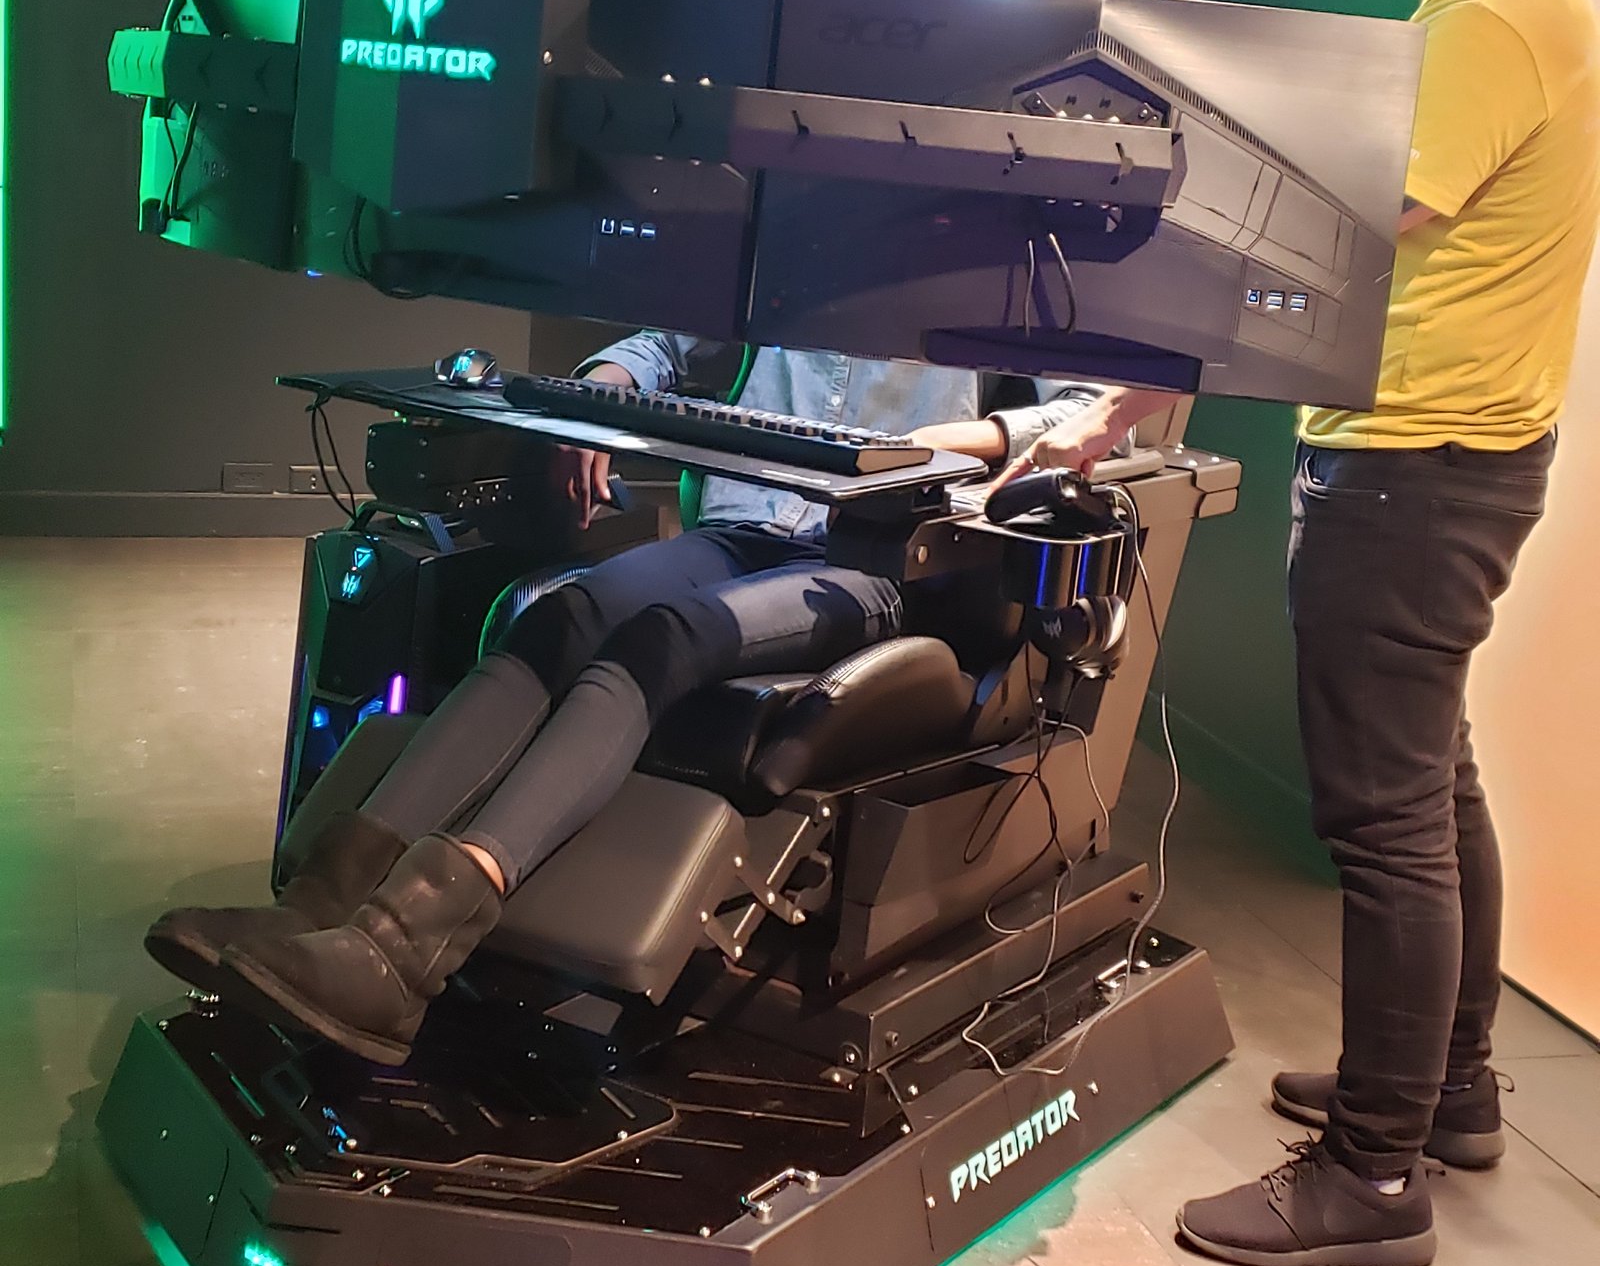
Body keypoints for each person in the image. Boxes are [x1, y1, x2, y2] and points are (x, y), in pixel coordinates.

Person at [1026, 0, 1600, 1266]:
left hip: (1412, 474)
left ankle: (1374, 1177)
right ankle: (1447, 1092)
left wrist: (1134, 391)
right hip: (1461, 457)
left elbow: (1320, 248)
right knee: (1435, 781)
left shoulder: (1489, 28)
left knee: (1388, 817)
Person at [147, 344, 1101, 1065]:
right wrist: (597, 392)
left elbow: (1087, 414)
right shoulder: (798, 253)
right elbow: (662, 346)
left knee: (665, 639)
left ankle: (404, 950)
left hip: (872, 563)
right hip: (740, 530)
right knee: (559, 617)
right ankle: (324, 905)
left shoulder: (993, 268)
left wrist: (951, 442)